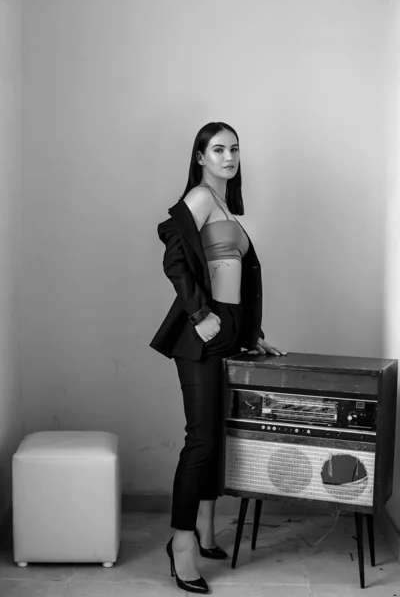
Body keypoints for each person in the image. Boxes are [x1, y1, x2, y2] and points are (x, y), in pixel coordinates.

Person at [150, 121, 286, 594]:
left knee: (219, 439)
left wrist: (254, 332)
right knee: (202, 442)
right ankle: (182, 544)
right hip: (201, 337)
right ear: (201, 157)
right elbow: (173, 253)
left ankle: (206, 528)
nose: (228, 157)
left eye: (234, 149)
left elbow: (235, 280)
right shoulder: (202, 197)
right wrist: (200, 313)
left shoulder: (226, 205)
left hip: (230, 333)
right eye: (218, 149)